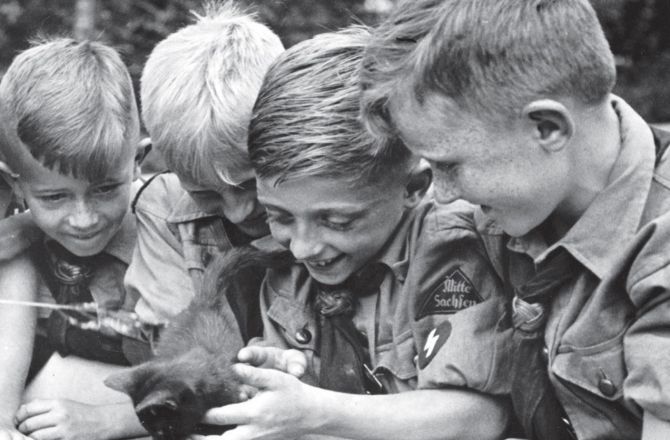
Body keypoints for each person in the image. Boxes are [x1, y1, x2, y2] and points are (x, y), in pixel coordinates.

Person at [360, 0, 670, 439]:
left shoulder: (659, 246)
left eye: (449, 165)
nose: (440, 194)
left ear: (547, 128)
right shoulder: (509, 213)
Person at [193, 27, 509, 440]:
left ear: (413, 188)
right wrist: (277, 382)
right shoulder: (285, 275)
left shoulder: (449, 254)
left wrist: (315, 410)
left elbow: (478, 417)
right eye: (279, 216)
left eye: (337, 222)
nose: (302, 247)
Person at [0, 38, 150, 440]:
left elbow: (209, 379)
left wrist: (109, 421)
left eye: (105, 189)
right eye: (55, 197)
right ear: (16, 184)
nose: (84, 219)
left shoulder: (166, 233)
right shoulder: (18, 252)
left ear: (138, 161)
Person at [123, 1, 284, 349]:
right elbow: (179, 349)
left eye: (249, 184)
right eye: (205, 194)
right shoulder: (163, 212)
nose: (238, 212)